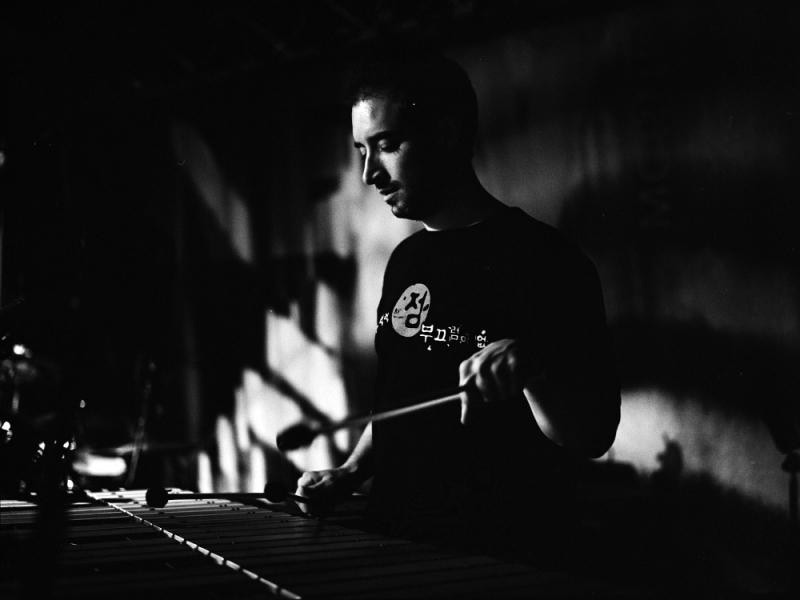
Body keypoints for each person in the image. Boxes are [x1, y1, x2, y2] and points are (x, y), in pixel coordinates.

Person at [295, 48, 620, 561]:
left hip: (497, 558)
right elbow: (399, 399)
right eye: (361, 150)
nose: (368, 173)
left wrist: (533, 369)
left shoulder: (548, 259)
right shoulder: (405, 260)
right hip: (394, 544)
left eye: (387, 145)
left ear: (446, 134)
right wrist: (351, 471)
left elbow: (592, 435)